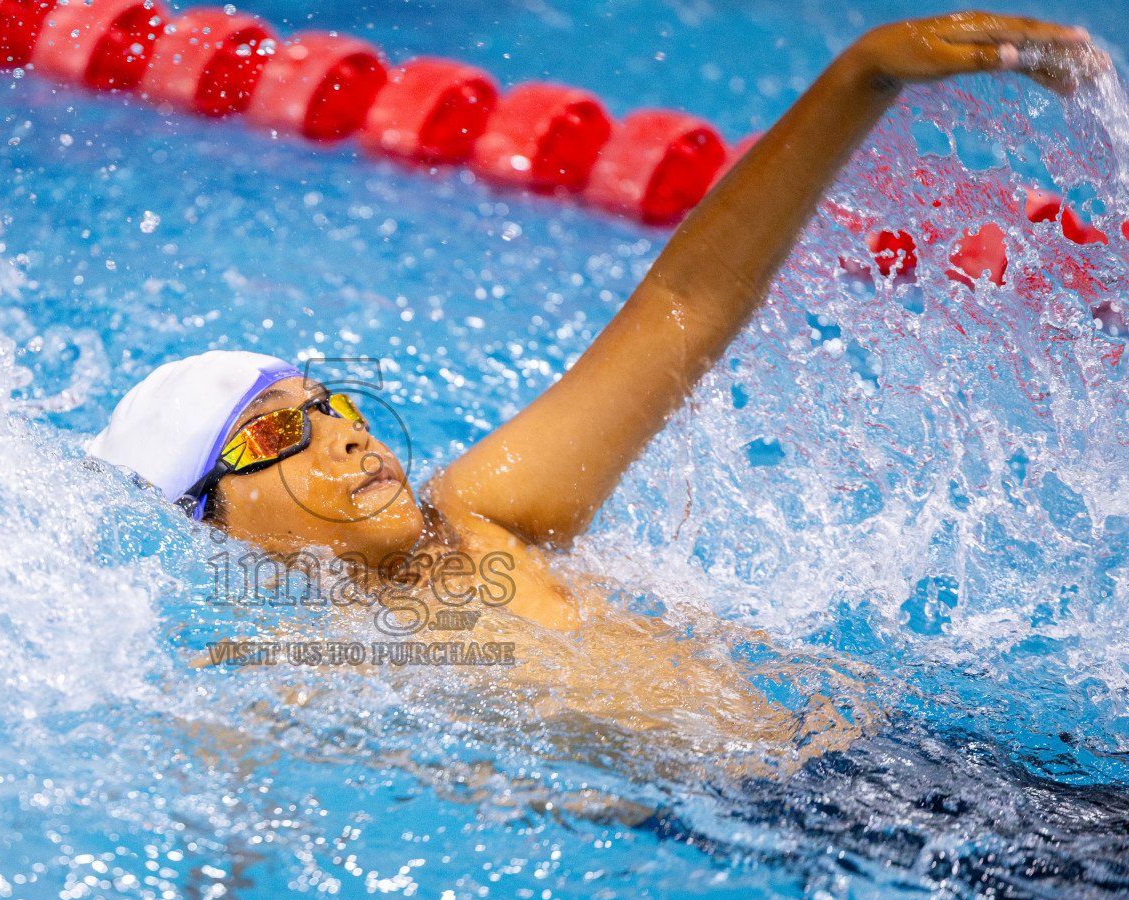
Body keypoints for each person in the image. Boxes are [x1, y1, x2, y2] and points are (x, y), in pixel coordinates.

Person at [88, 13, 1102, 774]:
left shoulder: (481, 516)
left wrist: (864, 73)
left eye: (336, 409)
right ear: (209, 519)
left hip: (924, 758)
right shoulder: (304, 662)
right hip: (812, 831)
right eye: (276, 432)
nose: (344, 444)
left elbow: (689, 303)